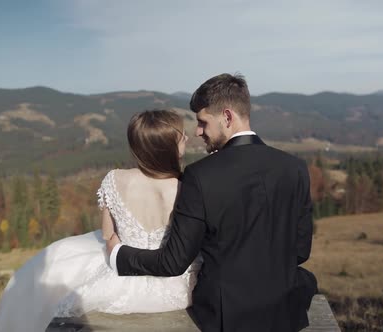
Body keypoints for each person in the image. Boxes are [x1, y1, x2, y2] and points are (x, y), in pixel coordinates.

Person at [107, 73, 318, 332]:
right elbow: (300, 251)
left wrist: (118, 254)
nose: (198, 131)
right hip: (284, 309)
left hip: (225, 315)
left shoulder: (200, 175)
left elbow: (173, 262)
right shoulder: (295, 168)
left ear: (227, 117)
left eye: (203, 122)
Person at [0, 110, 201, 332]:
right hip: (174, 287)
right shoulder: (188, 188)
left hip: (122, 278)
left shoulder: (115, 179)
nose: (186, 138)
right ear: (167, 147)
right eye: (181, 136)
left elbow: (108, 234)